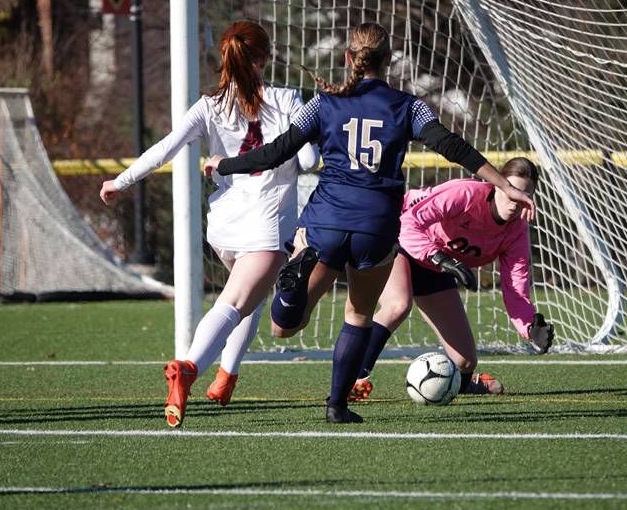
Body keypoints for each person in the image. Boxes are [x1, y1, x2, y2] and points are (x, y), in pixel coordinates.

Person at [205, 22, 535, 424]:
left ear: (349, 59)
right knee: (358, 315)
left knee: (282, 328)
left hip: (327, 219)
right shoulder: (408, 106)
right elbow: (452, 145)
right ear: (389, 60)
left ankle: (291, 291)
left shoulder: (324, 104)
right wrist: (505, 184)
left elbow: (275, 152)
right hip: (376, 226)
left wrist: (225, 164)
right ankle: (336, 406)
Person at [99, 21, 318, 428]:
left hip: (224, 224)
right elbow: (308, 163)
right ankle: (189, 367)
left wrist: (121, 181)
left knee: (248, 299)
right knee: (235, 303)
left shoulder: (209, 105)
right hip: (267, 224)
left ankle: (227, 376)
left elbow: (166, 148)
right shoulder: (287, 99)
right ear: (264, 59)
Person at [347, 157, 555, 402]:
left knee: (465, 361)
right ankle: (351, 380)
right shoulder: (465, 193)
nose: (515, 201)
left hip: (435, 264)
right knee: (398, 305)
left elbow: (515, 288)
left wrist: (530, 327)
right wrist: (438, 258)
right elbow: (407, 224)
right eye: (511, 190)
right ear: (498, 184)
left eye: (524, 194)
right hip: (395, 238)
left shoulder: (516, 231)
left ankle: (461, 385)